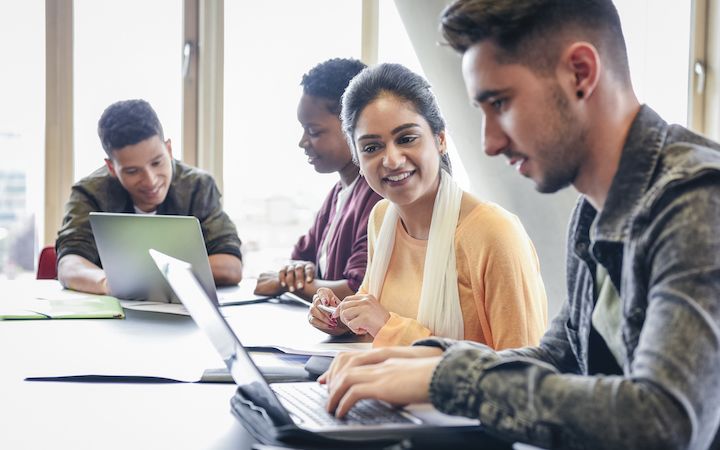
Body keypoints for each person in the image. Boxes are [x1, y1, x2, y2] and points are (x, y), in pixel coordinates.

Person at [319, 1, 720, 448]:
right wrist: (419, 361)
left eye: (501, 103)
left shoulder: (697, 203)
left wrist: (450, 378)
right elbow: (559, 357)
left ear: (581, 73)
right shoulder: (593, 211)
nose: (489, 142)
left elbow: (665, 422)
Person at [309, 63, 547, 349]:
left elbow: (522, 373)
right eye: (372, 147)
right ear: (357, 160)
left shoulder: (494, 234)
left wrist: (388, 326)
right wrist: (339, 319)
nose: (393, 160)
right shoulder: (382, 219)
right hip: (385, 388)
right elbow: (374, 330)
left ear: (441, 140)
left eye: (406, 138)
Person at [56, 99, 243, 295]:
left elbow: (231, 266)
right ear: (111, 167)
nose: (150, 180)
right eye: (132, 171)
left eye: (157, 163)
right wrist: (108, 284)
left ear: (168, 150)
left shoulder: (198, 187)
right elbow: (69, 264)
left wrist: (145, 277)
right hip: (115, 315)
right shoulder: (90, 193)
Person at [254, 58, 382, 302]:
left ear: (353, 126)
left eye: (313, 131)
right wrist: (293, 275)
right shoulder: (337, 193)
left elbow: (357, 290)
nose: (303, 142)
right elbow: (299, 259)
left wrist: (286, 283)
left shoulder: (378, 196)